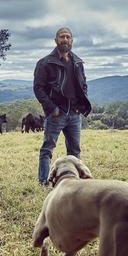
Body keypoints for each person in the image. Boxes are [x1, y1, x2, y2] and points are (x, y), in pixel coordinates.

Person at [33, 27, 91, 186]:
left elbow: (83, 84)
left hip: (74, 114)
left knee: (74, 151)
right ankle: (44, 182)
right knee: (47, 149)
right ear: (56, 40)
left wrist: (79, 106)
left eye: (68, 37)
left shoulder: (78, 62)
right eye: (61, 37)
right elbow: (38, 88)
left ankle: (75, 183)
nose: (65, 39)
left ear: (72, 40)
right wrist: (52, 109)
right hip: (56, 114)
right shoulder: (45, 63)